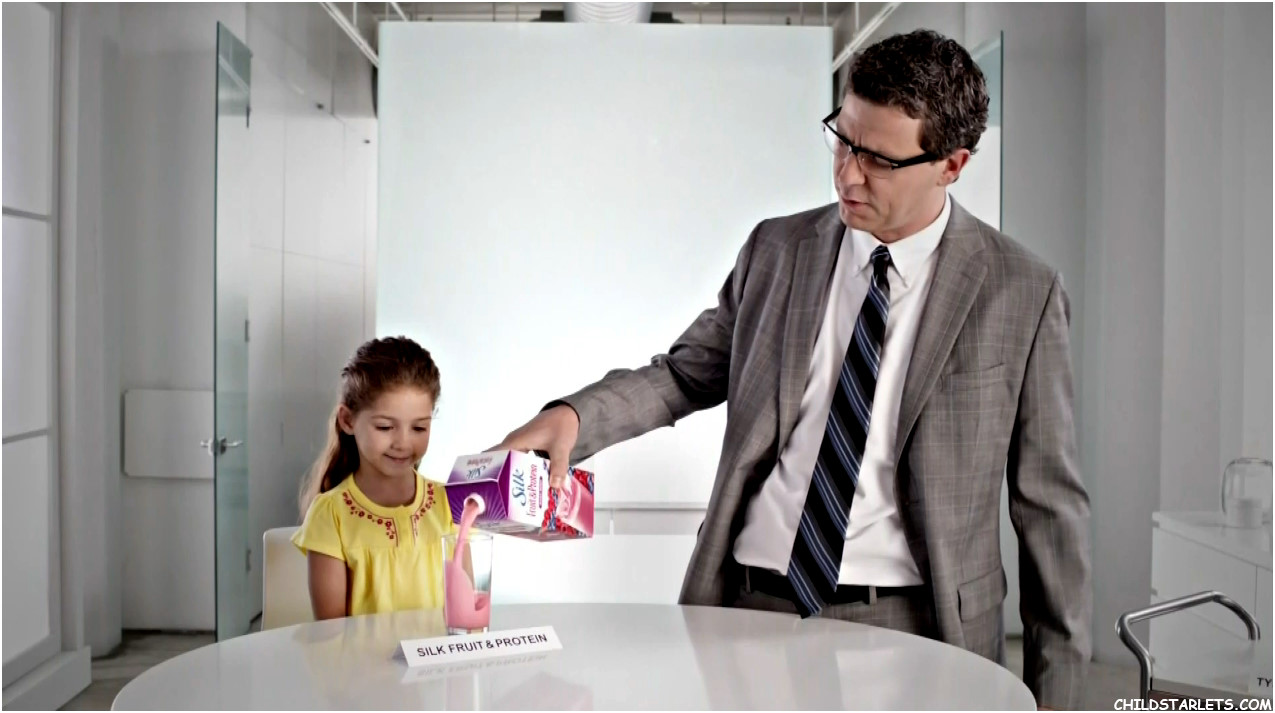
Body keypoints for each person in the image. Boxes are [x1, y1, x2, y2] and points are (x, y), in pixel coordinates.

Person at [495, 29, 1091, 709]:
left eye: (878, 159)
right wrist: (574, 417)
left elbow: (1050, 513)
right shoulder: (777, 249)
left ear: (951, 165)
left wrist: (1061, 700)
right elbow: (683, 374)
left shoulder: (1021, 290)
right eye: (842, 140)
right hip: (750, 607)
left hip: (916, 625)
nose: (847, 174)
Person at [294, 337, 456, 619]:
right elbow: (331, 631)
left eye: (419, 428)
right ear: (348, 420)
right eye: (385, 427)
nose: (403, 443)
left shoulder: (451, 503)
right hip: (358, 652)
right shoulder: (330, 515)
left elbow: (464, 614)